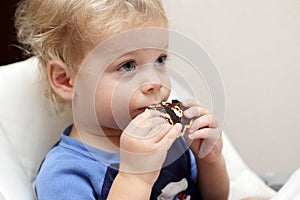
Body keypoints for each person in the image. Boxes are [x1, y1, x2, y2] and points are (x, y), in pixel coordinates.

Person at [15, 0, 229, 199]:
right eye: (127, 65)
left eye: (160, 60)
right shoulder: (66, 173)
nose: (155, 81)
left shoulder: (167, 138)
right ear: (67, 81)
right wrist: (135, 177)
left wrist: (209, 160)